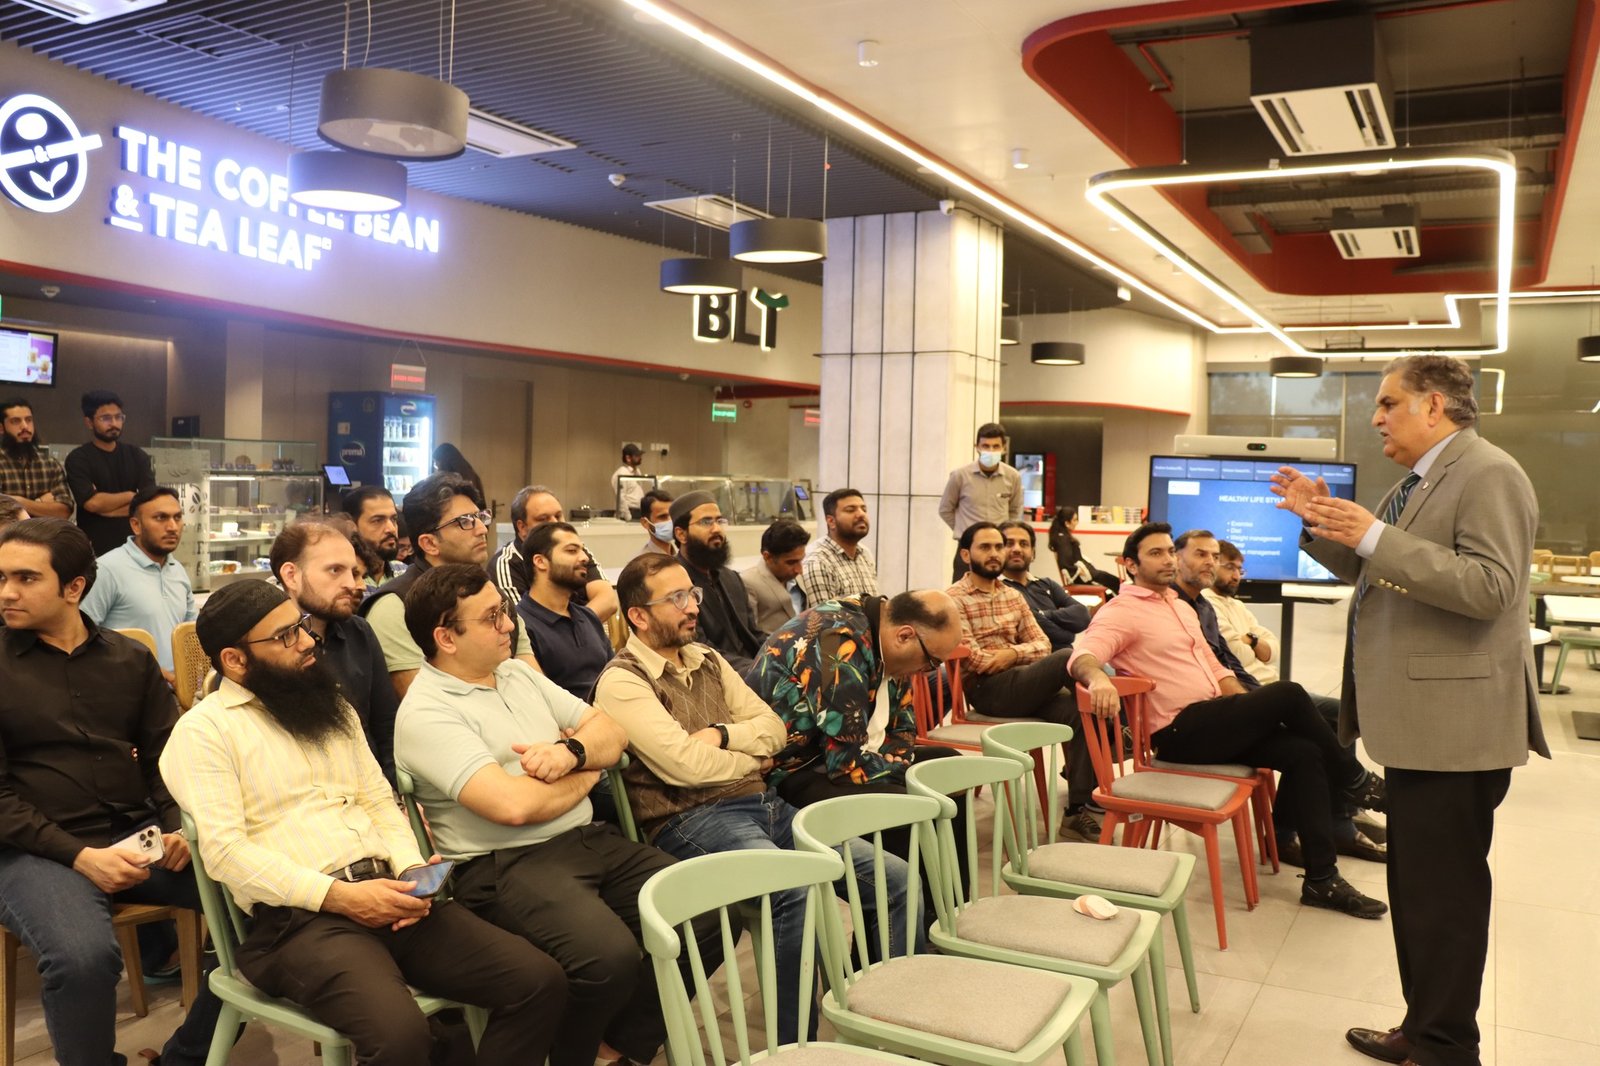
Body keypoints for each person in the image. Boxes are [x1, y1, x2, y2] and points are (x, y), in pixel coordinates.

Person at [160, 579, 566, 1066]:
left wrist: (411, 870)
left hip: (389, 893)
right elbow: (226, 853)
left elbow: (378, 801)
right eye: (286, 636)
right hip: (301, 921)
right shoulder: (204, 732)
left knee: (538, 980)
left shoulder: (331, 706)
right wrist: (341, 897)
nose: (307, 641)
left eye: (301, 626)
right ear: (235, 660)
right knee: (400, 1037)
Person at [1271, 354, 1546, 1066]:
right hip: (1422, 724)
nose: (1376, 419)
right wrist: (1324, 523)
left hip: (1456, 728)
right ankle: (1424, 1026)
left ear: (1433, 405)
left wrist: (1373, 534)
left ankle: (1446, 1047)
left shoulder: (1488, 473)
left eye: (1388, 404)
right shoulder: (1421, 481)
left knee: (1444, 898)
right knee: (1418, 891)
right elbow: (1378, 568)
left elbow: (1491, 587)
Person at [394, 563, 721, 1066]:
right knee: (607, 959)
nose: (509, 625)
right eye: (491, 618)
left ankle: (613, 1047)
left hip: (584, 838)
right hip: (504, 864)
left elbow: (611, 731)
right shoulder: (427, 712)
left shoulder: (516, 673)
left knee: (709, 909)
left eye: (504, 611)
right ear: (446, 638)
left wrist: (572, 754)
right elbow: (513, 807)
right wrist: (591, 768)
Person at [594, 552, 916, 1044]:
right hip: (691, 820)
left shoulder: (708, 658)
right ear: (638, 615)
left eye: (692, 594)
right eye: (676, 598)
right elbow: (685, 766)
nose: (692, 606)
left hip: (766, 806)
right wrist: (752, 760)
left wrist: (724, 735)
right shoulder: (622, 681)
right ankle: (794, 1046)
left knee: (895, 879)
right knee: (793, 891)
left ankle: (887, 1017)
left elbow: (774, 729)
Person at [1067, 522, 1388, 919]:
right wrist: (1098, 678)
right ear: (1130, 565)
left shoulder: (1178, 606)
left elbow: (1218, 671)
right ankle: (1360, 784)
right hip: (1178, 732)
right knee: (1289, 693)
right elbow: (1084, 654)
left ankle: (1322, 880)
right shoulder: (1122, 611)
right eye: (1155, 553)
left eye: (1169, 551)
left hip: (1211, 723)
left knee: (1304, 752)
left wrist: (1253, 713)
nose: (1167, 560)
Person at [0, 517, 223, 1066]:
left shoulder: (128, 659)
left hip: (135, 834)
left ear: (74, 587)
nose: (6, 592)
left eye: (26, 578)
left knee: (262, 908)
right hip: (35, 850)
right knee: (82, 959)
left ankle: (185, 1058)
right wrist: (80, 856)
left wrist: (176, 825)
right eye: (2, 577)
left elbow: (168, 758)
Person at [750, 588, 967, 869]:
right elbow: (846, 766)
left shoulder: (884, 631)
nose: (928, 670)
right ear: (905, 636)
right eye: (932, 662)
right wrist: (898, 768)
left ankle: (953, 892)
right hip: (795, 770)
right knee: (909, 803)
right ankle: (913, 896)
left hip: (844, 758)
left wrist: (898, 757)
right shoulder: (837, 641)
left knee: (951, 769)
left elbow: (903, 726)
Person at [1203, 539, 1386, 864]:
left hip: (1271, 688)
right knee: (1321, 731)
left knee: (1342, 716)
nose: (1236, 575)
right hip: (1253, 696)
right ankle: (1337, 815)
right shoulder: (1207, 604)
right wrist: (1254, 643)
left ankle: (1341, 811)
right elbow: (1240, 652)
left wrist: (1252, 640)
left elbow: (1270, 647)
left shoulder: (1236, 606)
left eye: (1239, 569)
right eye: (1228, 566)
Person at [950, 522, 1097, 839]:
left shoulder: (1012, 596)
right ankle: (1118, 729)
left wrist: (1011, 654)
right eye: (985, 547)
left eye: (998, 546)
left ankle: (1078, 810)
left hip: (1024, 684)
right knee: (1066, 655)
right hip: (987, 691)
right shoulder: (954, 599)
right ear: (966, 555)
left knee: (1078, 711)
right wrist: (1019, 654)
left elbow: (1042, 643)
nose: (994, 553)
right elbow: (977, 660)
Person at [360, 472, 541, 697]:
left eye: (480, 517)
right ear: (429, 543)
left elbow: (535, 683)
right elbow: (425, 702)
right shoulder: (394, 606)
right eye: (464, 521)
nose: (482, 529)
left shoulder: (492, 594)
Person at [271, 521, 401, 782]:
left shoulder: (359, 633)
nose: (352, 584)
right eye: (334, 570)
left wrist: (398, 792)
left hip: (373, 785)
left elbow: (387, 727)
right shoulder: (266, 646)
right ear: (291, 576)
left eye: (353, 572)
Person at [80, 484, 196, 679]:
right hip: (125, 688)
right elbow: (81, 637)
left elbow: (191, 634)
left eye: (177, 517)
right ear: (136, 525)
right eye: (161, 518)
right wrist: (153, 671)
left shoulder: (177, 570)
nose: (172, 527)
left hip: (176, 690)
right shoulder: (107, 569)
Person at [489, 485, 618, 621]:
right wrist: (577, 627)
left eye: (558, 516)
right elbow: (521, 625)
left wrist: (579, 628)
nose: (555, 524)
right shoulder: (506, 564)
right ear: (522, 527)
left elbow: (607, 600)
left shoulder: (579, 552)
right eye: (543, 519)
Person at [517, 521, 613, 699]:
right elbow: (540, 699)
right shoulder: (520, 625)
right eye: (571, 551)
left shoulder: (588, 617)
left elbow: (614, 678)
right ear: (540, 562)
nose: (584, 558)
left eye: (582, 550)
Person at [670, 491, 763, 674]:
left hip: (753, 669)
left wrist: (779, 656)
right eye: (706, 522)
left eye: (719, 521)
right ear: (681, 534)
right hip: (715, 675)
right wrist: (759, 670)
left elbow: (753, 634)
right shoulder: (673, 584)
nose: (717, 529)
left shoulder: (731, 578)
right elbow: (697, 649)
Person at [65, 389, 156, 557]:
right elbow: (92, 504)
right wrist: (131, 496)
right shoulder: (78, 458)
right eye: (106, 418)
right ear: (89, 422)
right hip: (94, 549)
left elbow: (149, 502)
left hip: (135, 547)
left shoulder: (137, 455)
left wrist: (105, 508)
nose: (114, 423)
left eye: (118, 417)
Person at [938, 422, 1021, 581]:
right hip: (968, 549)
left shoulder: (1013, 476)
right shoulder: (960, 476)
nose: (990, 451)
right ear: (977, 447)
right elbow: (945, 509)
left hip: (1000, 549)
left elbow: (1015, 510)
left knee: (1005, 591)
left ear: (1004, 448)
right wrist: (964, 531)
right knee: (962, 592)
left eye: (996, 446)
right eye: (985, 446)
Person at [998, 519, 1090, 651]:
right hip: (1032, 659)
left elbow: (1082, 615)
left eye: (1024, 544)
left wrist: (1045, 614)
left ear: (1033, 552)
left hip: (1065, 657)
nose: (1017, 549)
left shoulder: (1047, 584)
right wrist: (1068, 635)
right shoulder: (998, 589)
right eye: (1009, 543)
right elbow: (1052, 634)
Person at [798, 487, 878, 606]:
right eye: (850, 510)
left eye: (864, 509)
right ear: (831, 521)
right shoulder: (817, 561)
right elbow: (824, 616)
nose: (861, 514)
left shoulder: (865, 553)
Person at [0, 398, 73, 518]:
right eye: (16, 421)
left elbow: (64, 512)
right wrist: (40, 502)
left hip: (47, 531)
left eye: (28, 420)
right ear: (1, 428)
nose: (25, 426)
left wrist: (17, 502)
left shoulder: (50, 465)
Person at [741, 518, 808, 633]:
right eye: (791, 562)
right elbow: (749, 634)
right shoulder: (748, 583)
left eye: (801, 560)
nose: (799, 570)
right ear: (767, 557)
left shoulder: (796, 577)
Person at [1048, 507, 1120, 593]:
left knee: (1113, 580)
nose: (1077, 523)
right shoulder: (1064, 540)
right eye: (1074, 520)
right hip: (1083, 578)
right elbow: (1065, 563)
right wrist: (1081, 572)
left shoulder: (1062, 538)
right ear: (1067, 523)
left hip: (1086, 574)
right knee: (1116, 582)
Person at [342, 484, 401, 585]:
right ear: (352, 526)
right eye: (378, 521)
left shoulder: (405, 573)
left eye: (393, 519)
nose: (391, 529)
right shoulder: (343, 581)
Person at [609, 443, 649, 519]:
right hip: (629, 513)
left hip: (639, 511)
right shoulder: (621, 473)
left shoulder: (637, 471)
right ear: (628, 458)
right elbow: (621, 497)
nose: (640, 458)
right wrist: (628, 516)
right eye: (637, 456)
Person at [634, 487, 675, 559]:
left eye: (673, 515)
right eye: (662, 517)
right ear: (645, 523)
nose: (670, 521)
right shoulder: (642, 563)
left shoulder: (683, 555)